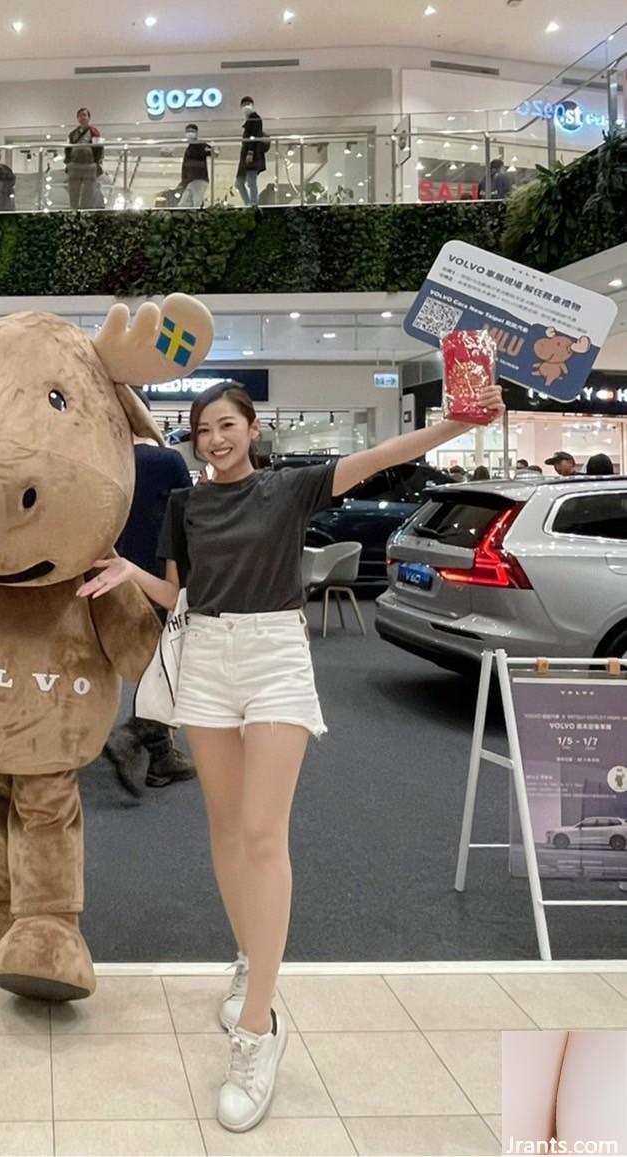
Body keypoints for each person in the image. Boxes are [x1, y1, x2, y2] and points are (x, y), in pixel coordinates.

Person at [78, 377, 504, 1133]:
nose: (215, 439)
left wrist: (452, 426)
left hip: (275, 654)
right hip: (204, 655)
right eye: (204, 429)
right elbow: (180, 595)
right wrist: (126, 573)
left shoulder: (291, 487)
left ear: (251, 428)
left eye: (226, 425)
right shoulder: (185, 504)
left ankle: (259, 1027)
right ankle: (248, 955)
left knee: (263, 832)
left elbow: (379, 455)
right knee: (223, 827)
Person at [104, 434, 197, 796]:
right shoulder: (166, 461)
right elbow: (190, 519)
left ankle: (159, 755)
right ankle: (142, 739)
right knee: (166, 663)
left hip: (106, 578)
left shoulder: (102, 459)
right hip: (158, 576)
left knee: (151, 665)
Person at [65, 107, 103, 210]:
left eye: (85, 115)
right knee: (73, 192)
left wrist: (97, 162)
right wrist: (68, 162)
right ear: (77, 118)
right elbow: (67, 148)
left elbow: (99, 148)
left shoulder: (94, 132)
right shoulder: (72, 134)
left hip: (89, 166)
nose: (82, 117)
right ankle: (73, 211)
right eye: (80, 115)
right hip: (75, 166)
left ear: (89, 118)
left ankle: (86, 212)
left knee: (89, 193)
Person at [236, 97, 267, 207]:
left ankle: (253, 204)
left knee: (251, 180)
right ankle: (249, 204)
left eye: (248, 104)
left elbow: (255, 136)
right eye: (244, 104)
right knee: (239, 182)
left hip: (252, 155)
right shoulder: (248, 120)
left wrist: (250, 152)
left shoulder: (255, 118)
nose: (246, 106)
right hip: (245, 156)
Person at [179, 124, 215, 209]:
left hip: (199, 179)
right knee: (183, 205)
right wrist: (183, 181)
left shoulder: (200, 145)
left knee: (196, 204)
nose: (190, 133)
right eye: (188, 131)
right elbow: (185, 167)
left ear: (196, 133)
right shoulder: (189, 148)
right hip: (190, 181)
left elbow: (213, 152)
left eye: (192, 131)